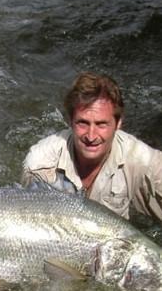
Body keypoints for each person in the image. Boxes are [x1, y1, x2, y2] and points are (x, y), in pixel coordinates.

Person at [22, 71, 162, 222]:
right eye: (83, 123)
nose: (91, 136)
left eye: (101, 124)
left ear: (118, 123)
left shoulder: (143, 162)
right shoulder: (39, 166)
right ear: (70, 121)